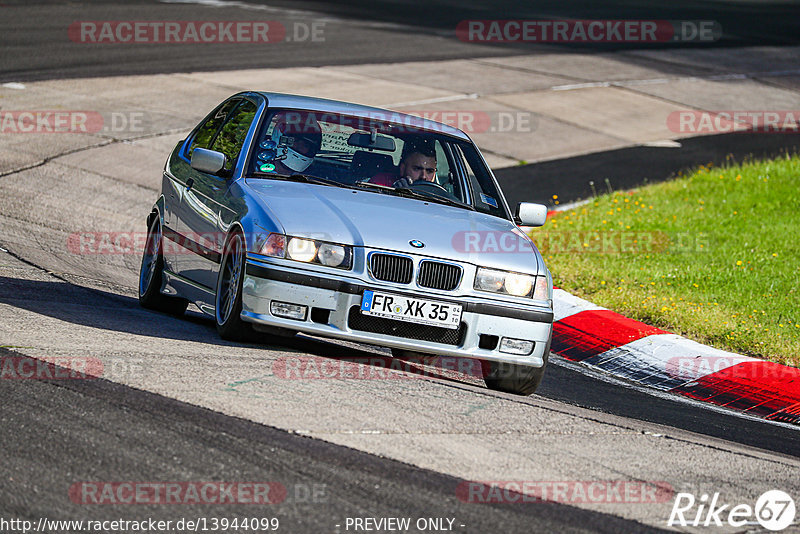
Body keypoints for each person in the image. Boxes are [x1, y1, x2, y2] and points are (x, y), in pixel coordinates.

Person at [369, 139, 437, 187]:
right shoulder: (381, 183)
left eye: (429, 171)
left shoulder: (440, 197)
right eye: (417, 169)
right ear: (402, 169)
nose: (423, 176)